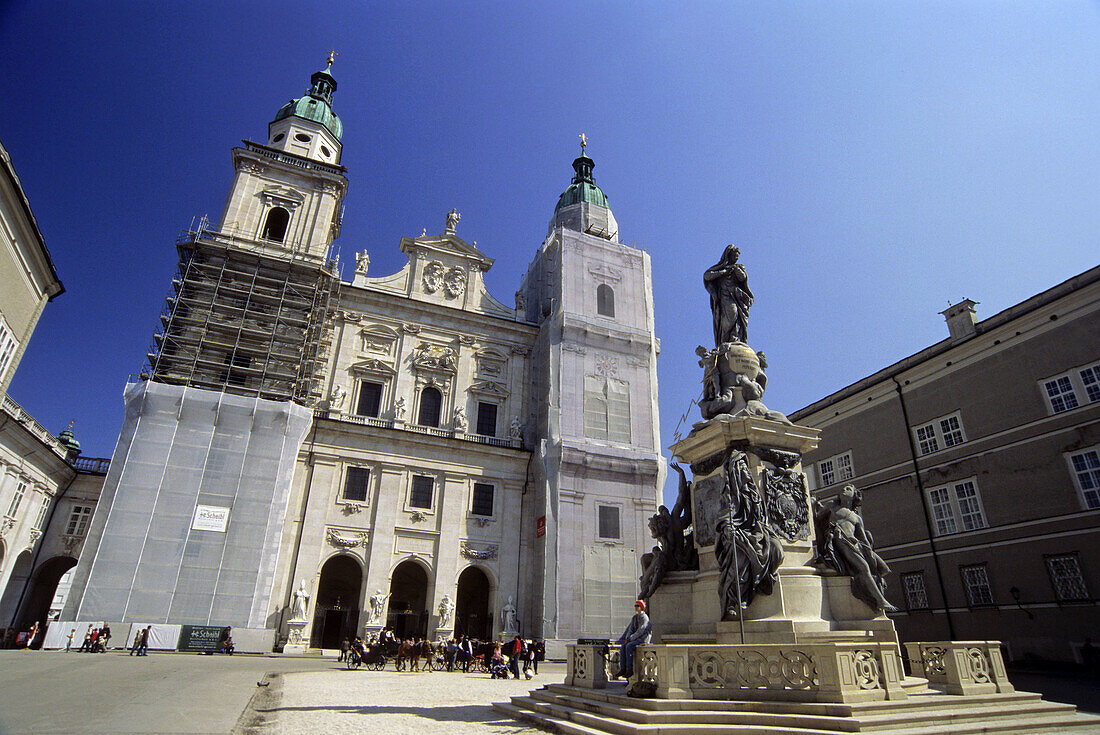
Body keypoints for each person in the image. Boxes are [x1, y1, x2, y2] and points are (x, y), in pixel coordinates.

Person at [615, 600, 652, 679]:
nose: (635, 607)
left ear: (641, 607)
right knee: (623, 647)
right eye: (635, 606)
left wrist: (631, 638)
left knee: (629, 646)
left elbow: (641, 631)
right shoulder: (634, 617)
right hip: (634, 639)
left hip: (642, 639)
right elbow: (630, 629)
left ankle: (629, 669)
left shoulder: (644, 618)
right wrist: (627, 638)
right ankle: (623, 668)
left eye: (637, 606)